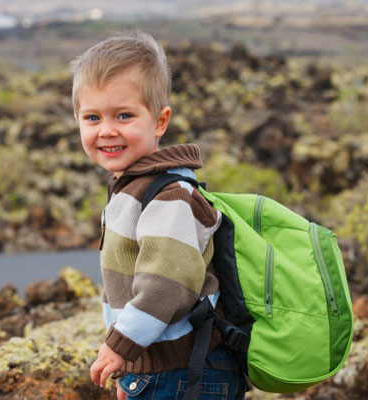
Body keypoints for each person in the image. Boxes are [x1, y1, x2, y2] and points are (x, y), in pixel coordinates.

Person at [77, 32, 243, 400]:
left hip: (190, 372)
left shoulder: (169, 196)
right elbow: (124, 290)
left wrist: (121, 347)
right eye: (92, 117)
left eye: (124, 115)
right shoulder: (130, 188)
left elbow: (167, 285)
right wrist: (131, 368)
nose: (106, 130)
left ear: (160, 121)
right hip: (162, 372)